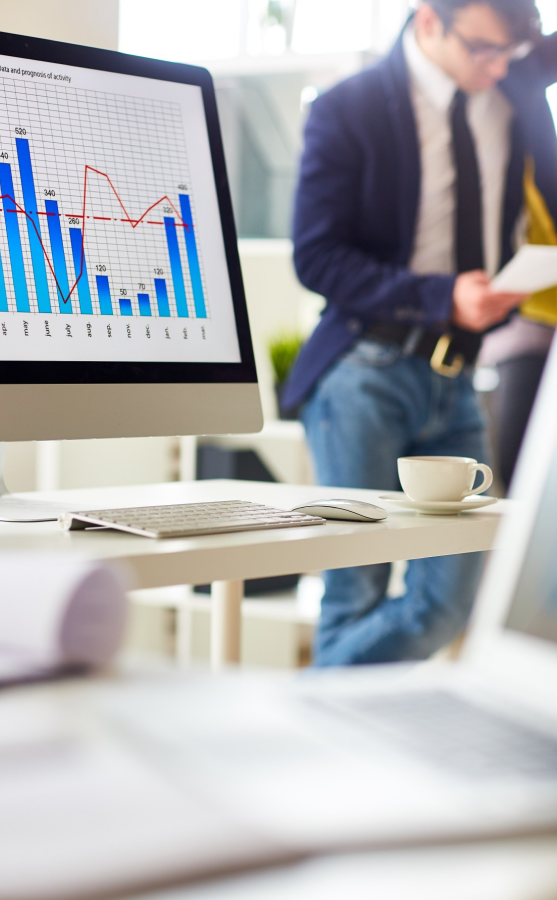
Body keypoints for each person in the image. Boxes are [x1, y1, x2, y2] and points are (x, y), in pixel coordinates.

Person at [284, 0, 557, 665]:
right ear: (428, 22)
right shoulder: (349, 107)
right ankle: (329, 732)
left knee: (454, 598)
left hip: (457, 374)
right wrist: (440, 296)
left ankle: (317, 707)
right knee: (355, 594)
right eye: (483, 50)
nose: (497, 68)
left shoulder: (509, 79)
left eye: (510, 54)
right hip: (364, 371)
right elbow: (316, 257)